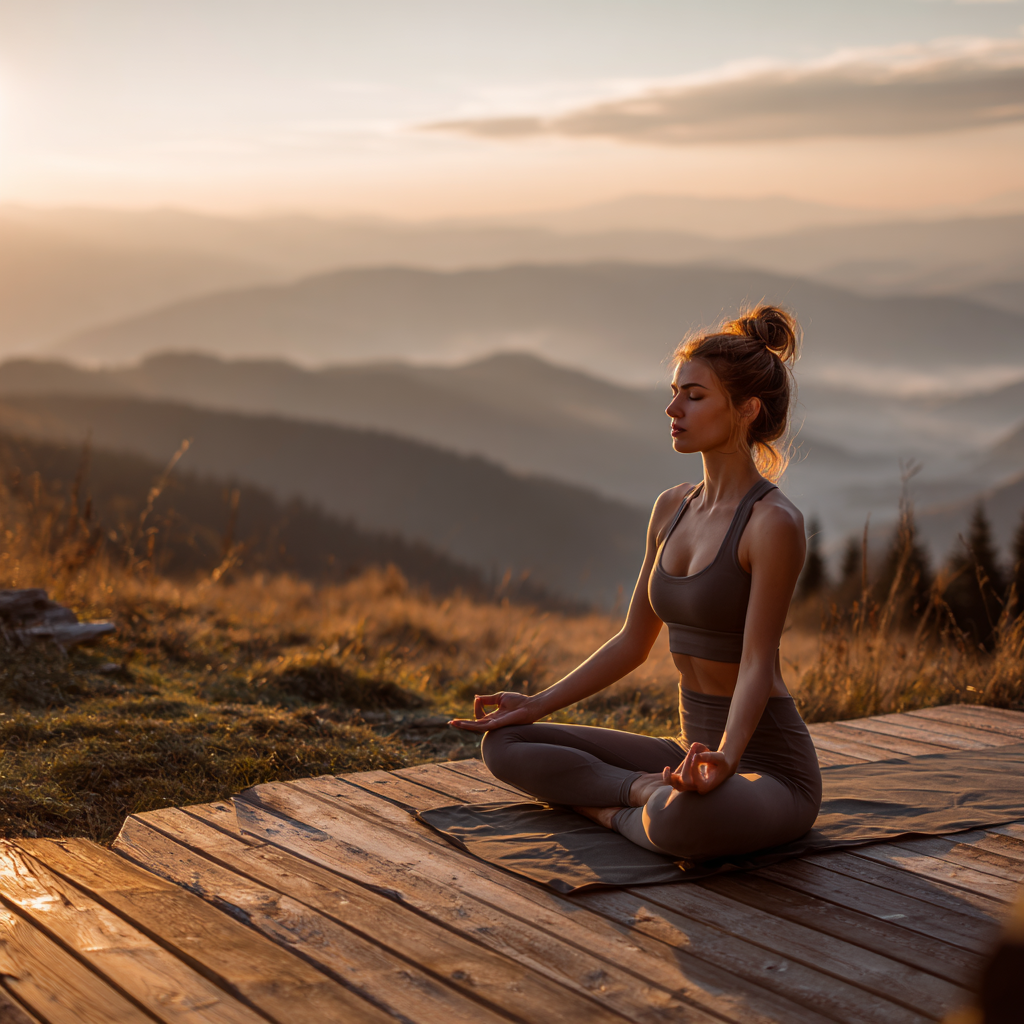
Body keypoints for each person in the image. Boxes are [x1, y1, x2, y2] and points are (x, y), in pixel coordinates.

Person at [449, 306, 821, 861]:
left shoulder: (773, 524)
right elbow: (631, 642)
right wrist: (537, 704)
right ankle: (641, 795)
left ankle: (610, 808)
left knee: (681, 825)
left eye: (694, 396)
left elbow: (756, 664)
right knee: (505, 742)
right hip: (686, 751)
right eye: (674, 392)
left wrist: (725, 758)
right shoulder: (672, 507)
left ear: (747, 410)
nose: (672, 409)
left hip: (765, 769)